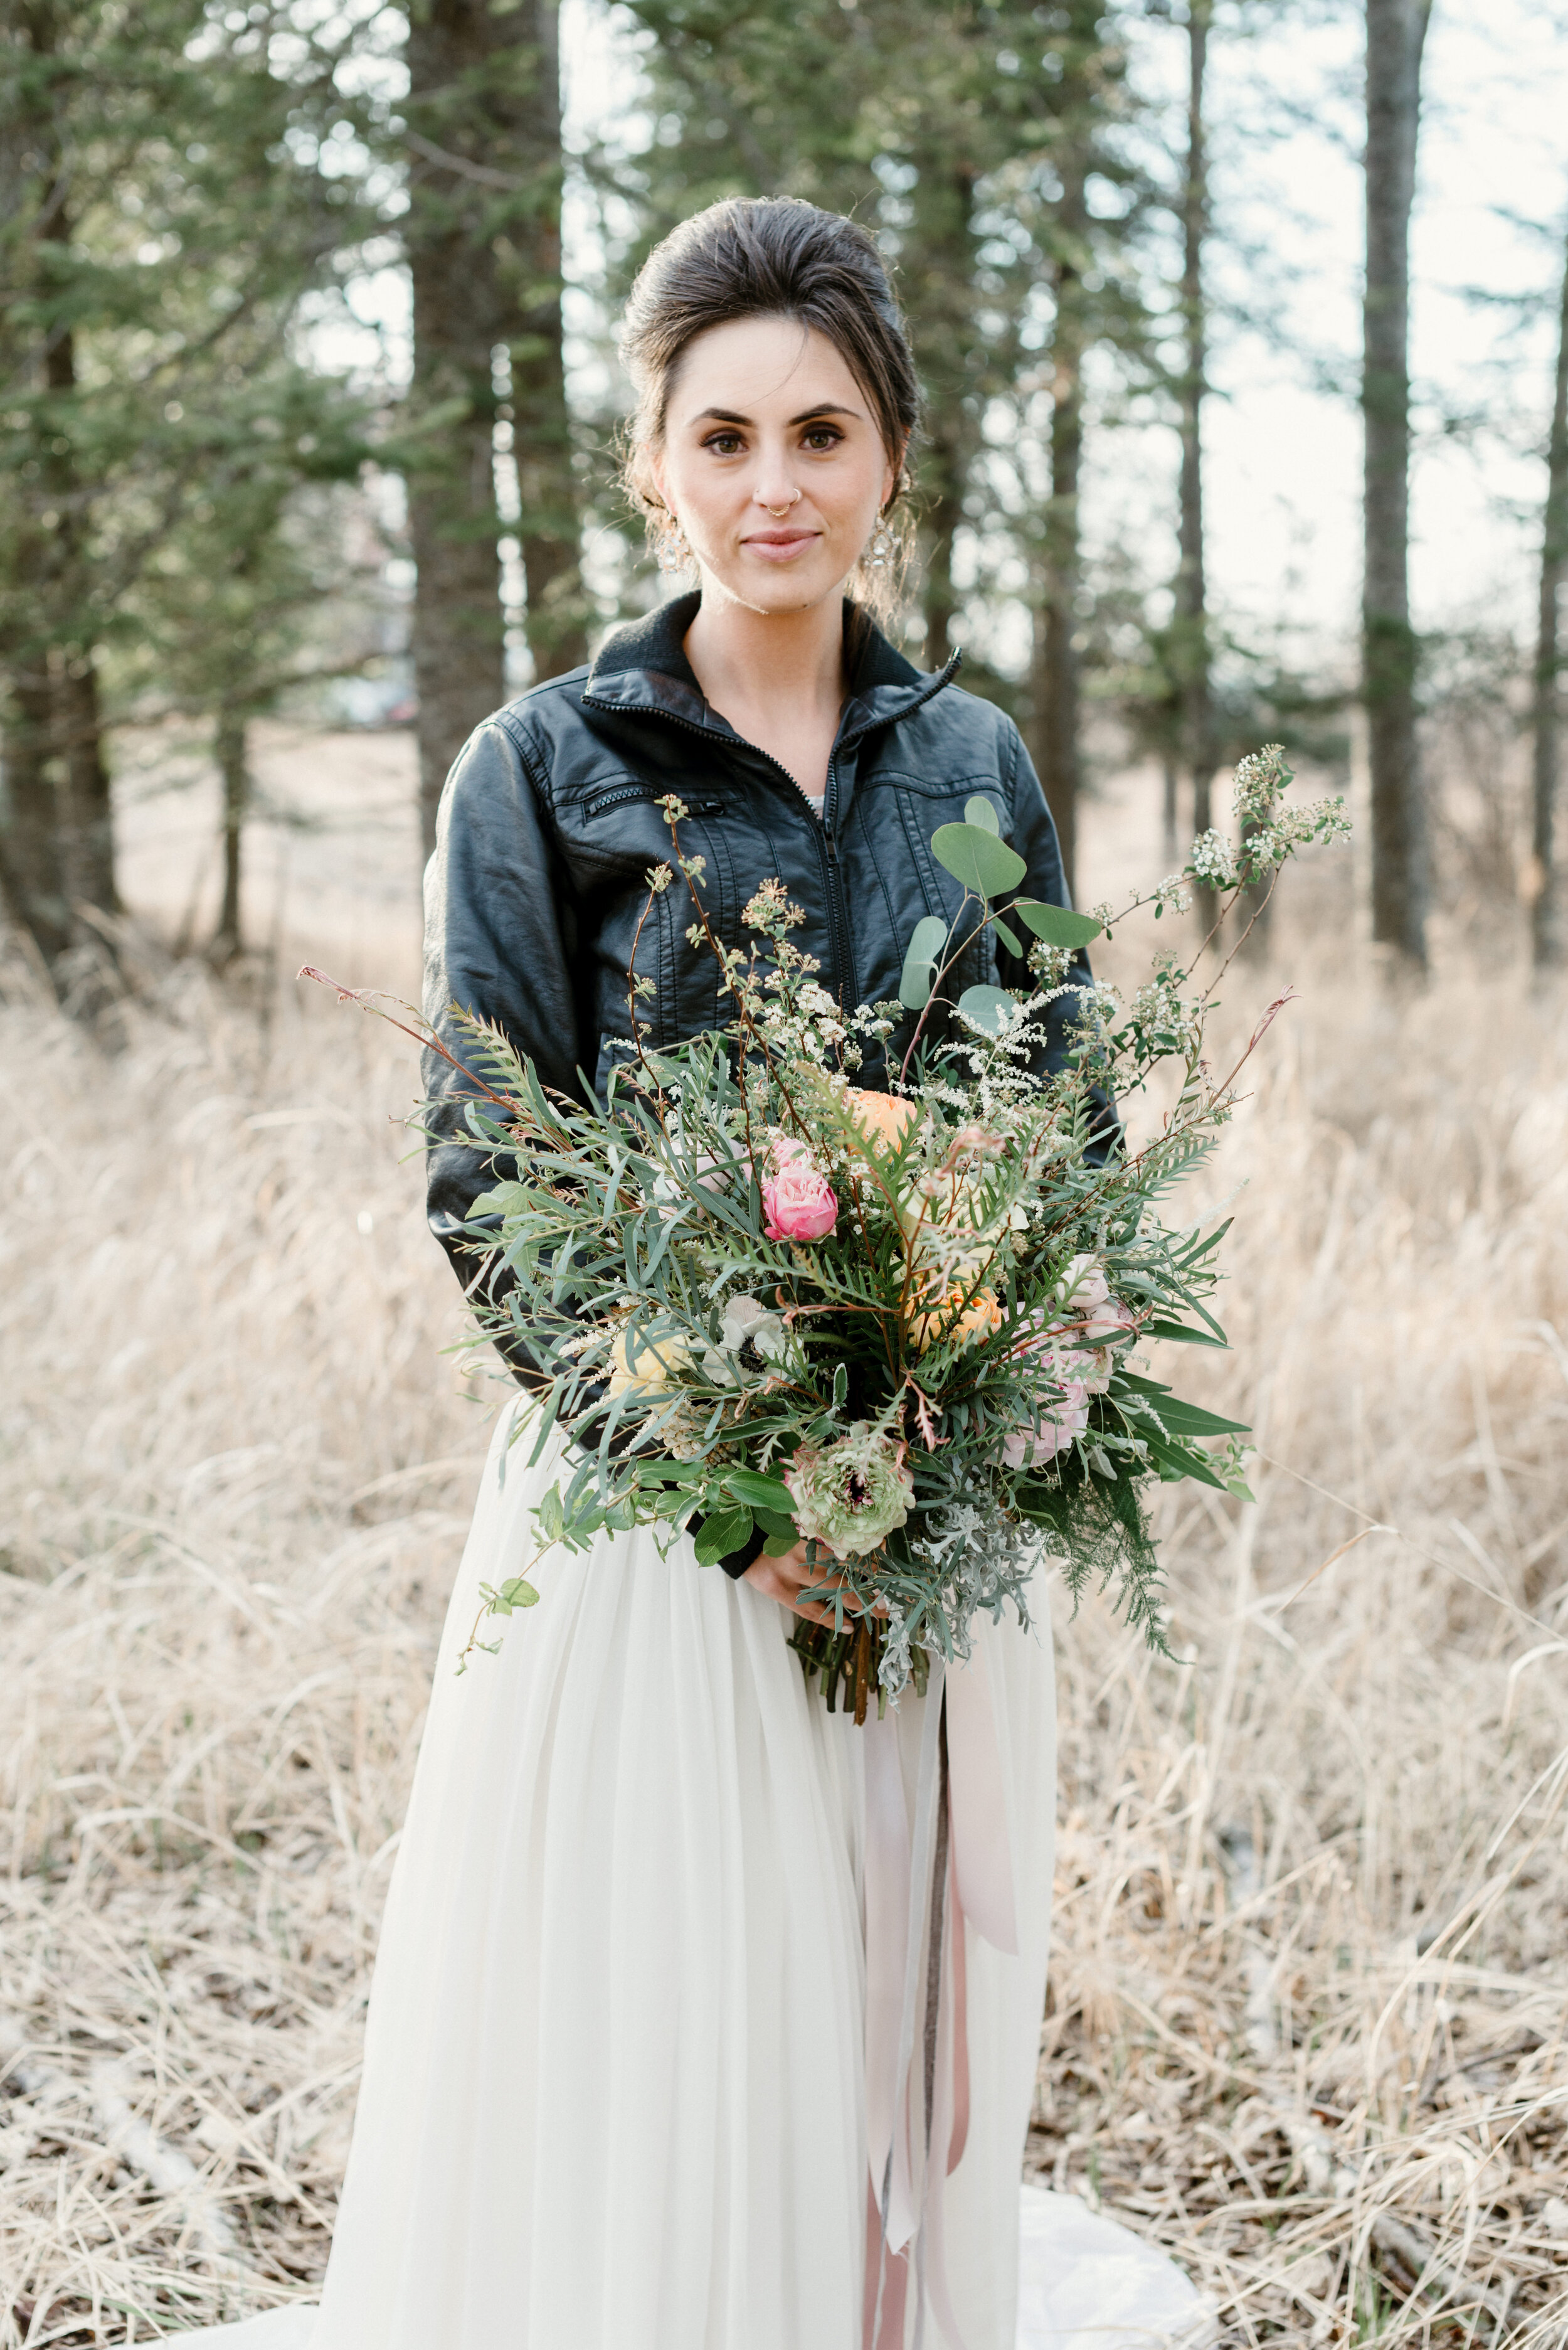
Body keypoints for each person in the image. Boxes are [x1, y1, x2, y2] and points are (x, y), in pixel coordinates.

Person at [181, 197, 1211, 2350]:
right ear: (648, 461)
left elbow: (1063, 1132)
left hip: (927, 1516)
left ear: (892, 462)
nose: (773, 487)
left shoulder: (971, 760)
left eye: (821, 433)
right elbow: (492, 1176)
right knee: (671, 2027)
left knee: (886, 2023)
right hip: (656, 1527)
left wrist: (990, 1412)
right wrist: (730, 1495)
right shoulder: (543, 770)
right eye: (722, 436)